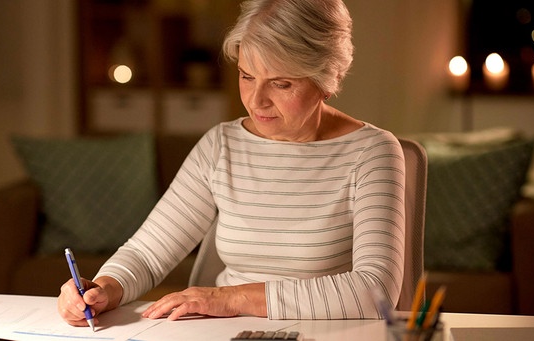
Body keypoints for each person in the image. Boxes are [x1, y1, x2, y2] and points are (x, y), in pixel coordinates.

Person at [58, 0, 405, 326]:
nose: (256, 101)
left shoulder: (371, 152)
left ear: (328, 79)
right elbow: (148, 253)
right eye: (247, 76)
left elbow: (375, 290)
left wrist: (233, 298)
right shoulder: (221, 145)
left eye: (281, 83)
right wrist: (104, 288)